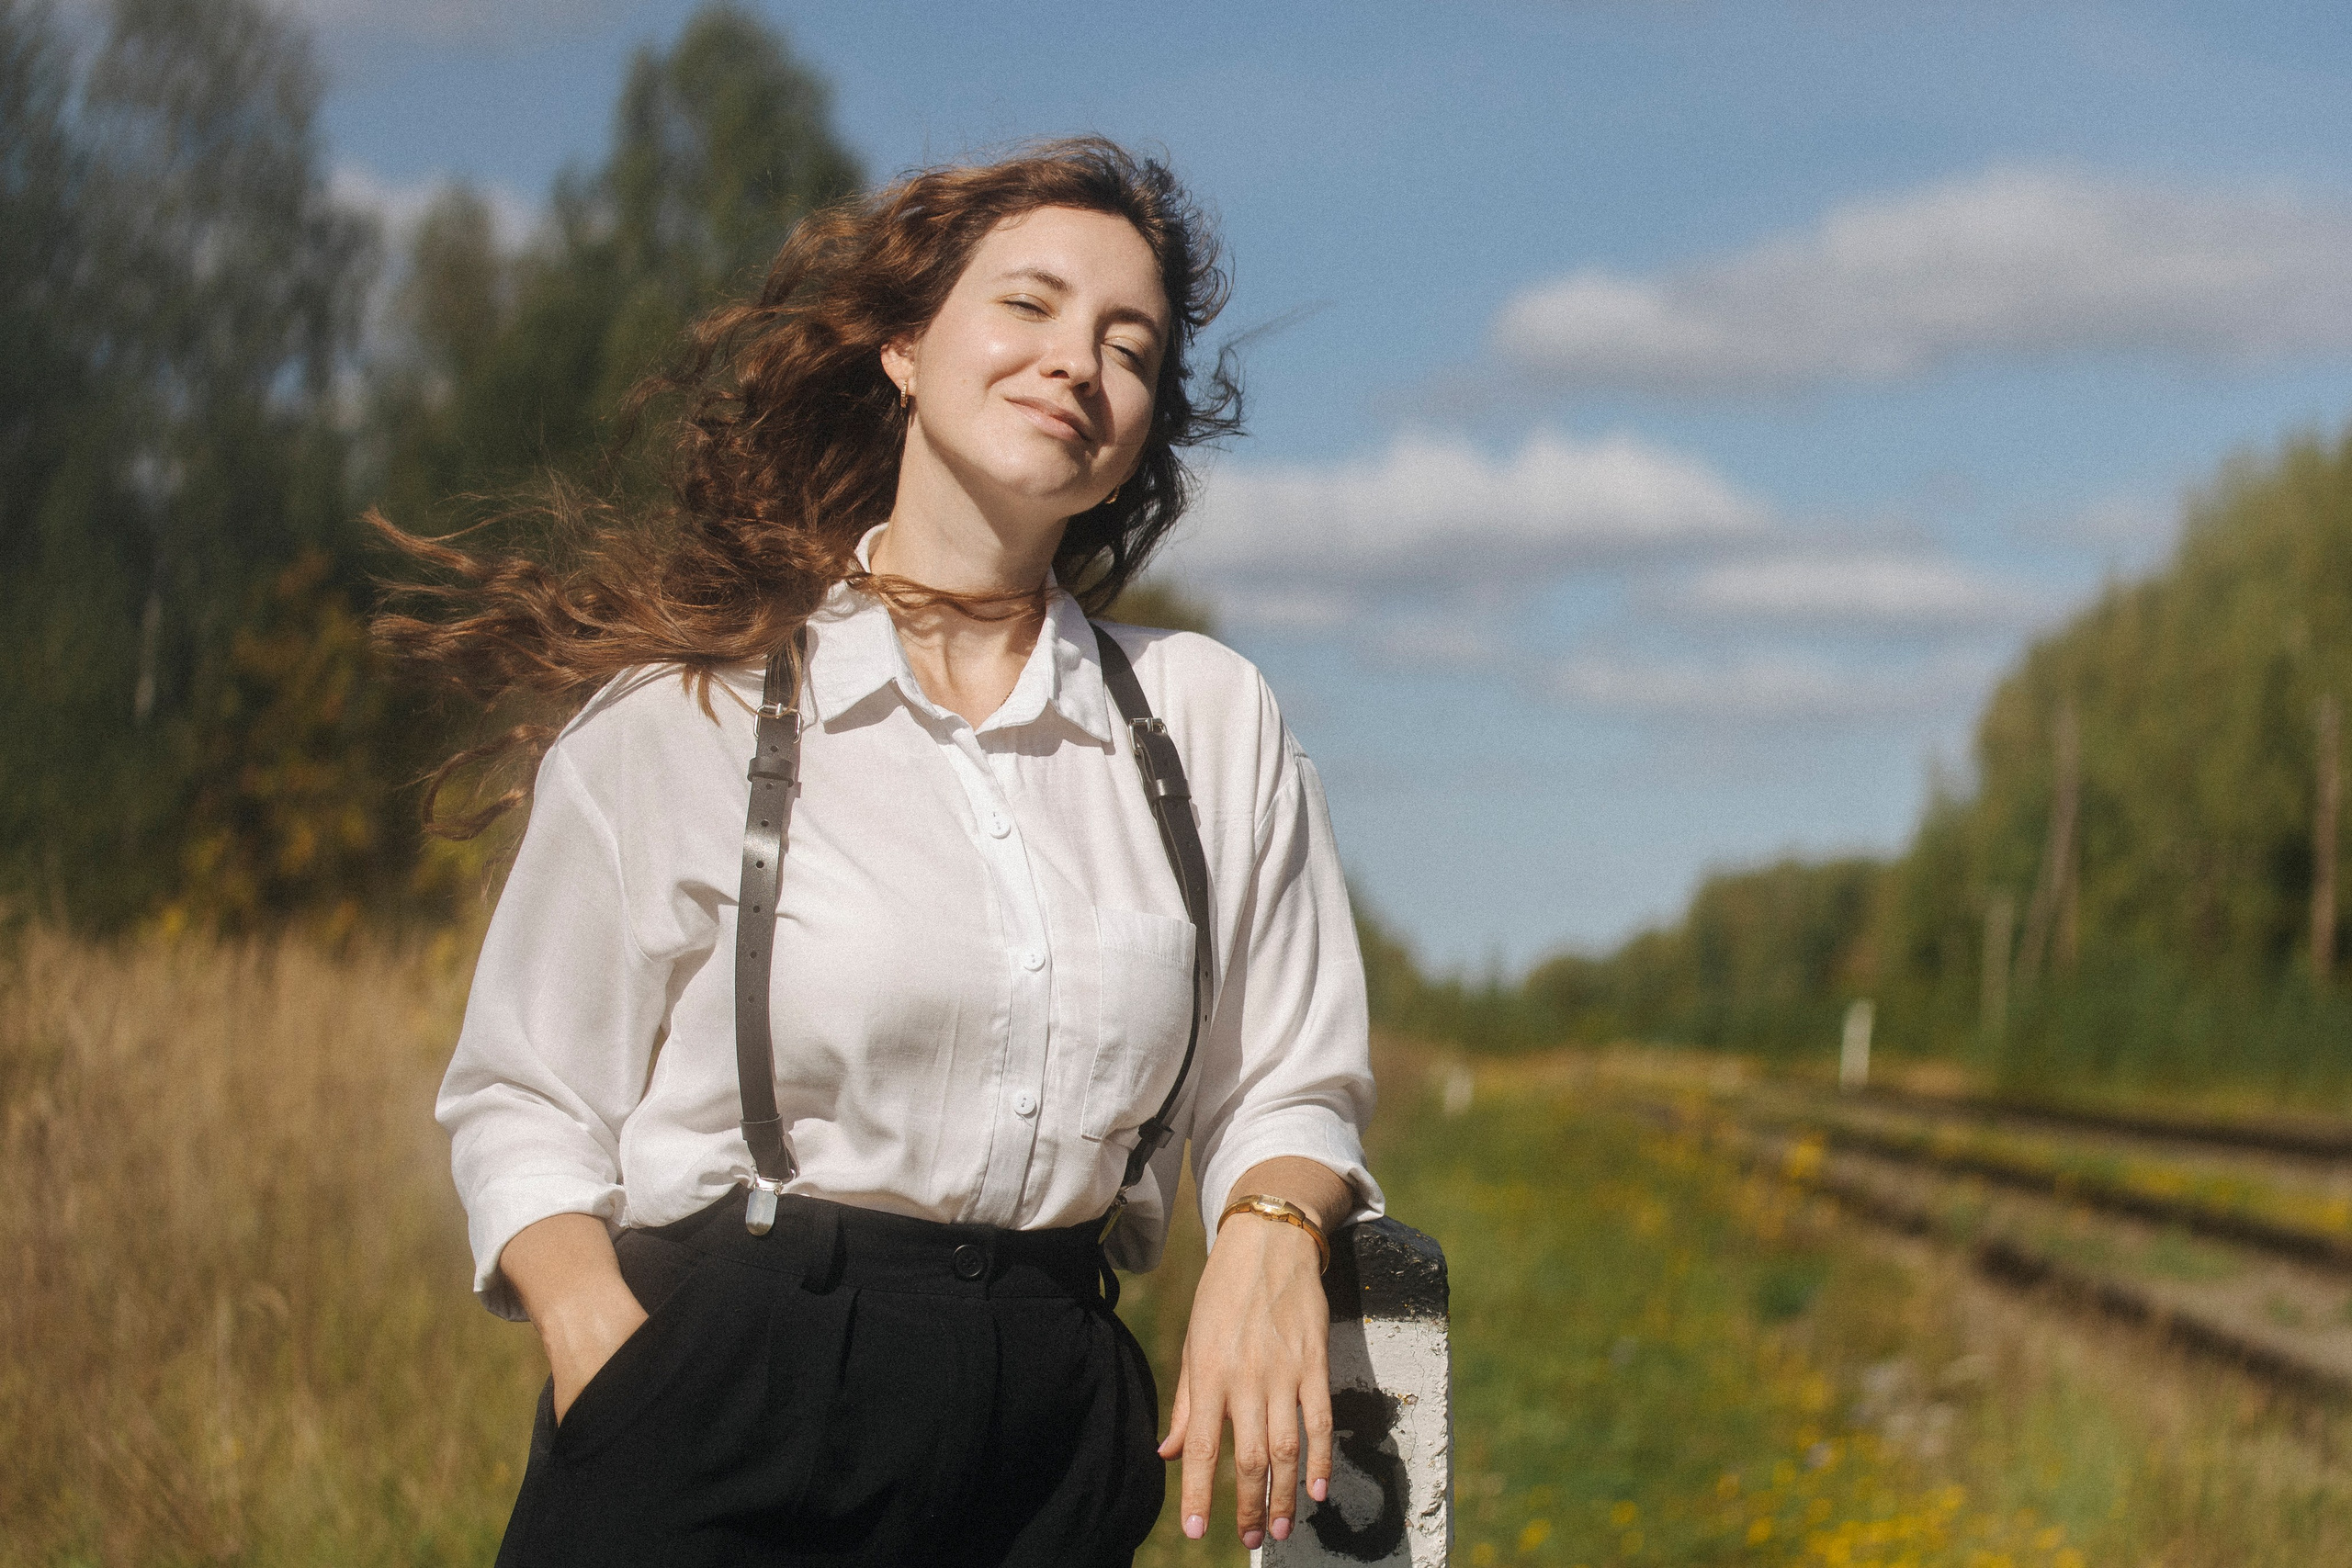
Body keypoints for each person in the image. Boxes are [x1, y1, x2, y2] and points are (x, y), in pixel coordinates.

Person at [377, 138, 1380, 1567]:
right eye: (1028, 305)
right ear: (905, 346)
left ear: (1141, 427)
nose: (1077, 362)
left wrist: (1271, 1229)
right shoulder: (694, 717)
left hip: (1049, 1425)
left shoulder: (1205, 721)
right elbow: (520, 1098)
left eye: (1129, 347)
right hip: (727, 1393)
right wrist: (615, 1363)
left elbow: (1290, 1073)